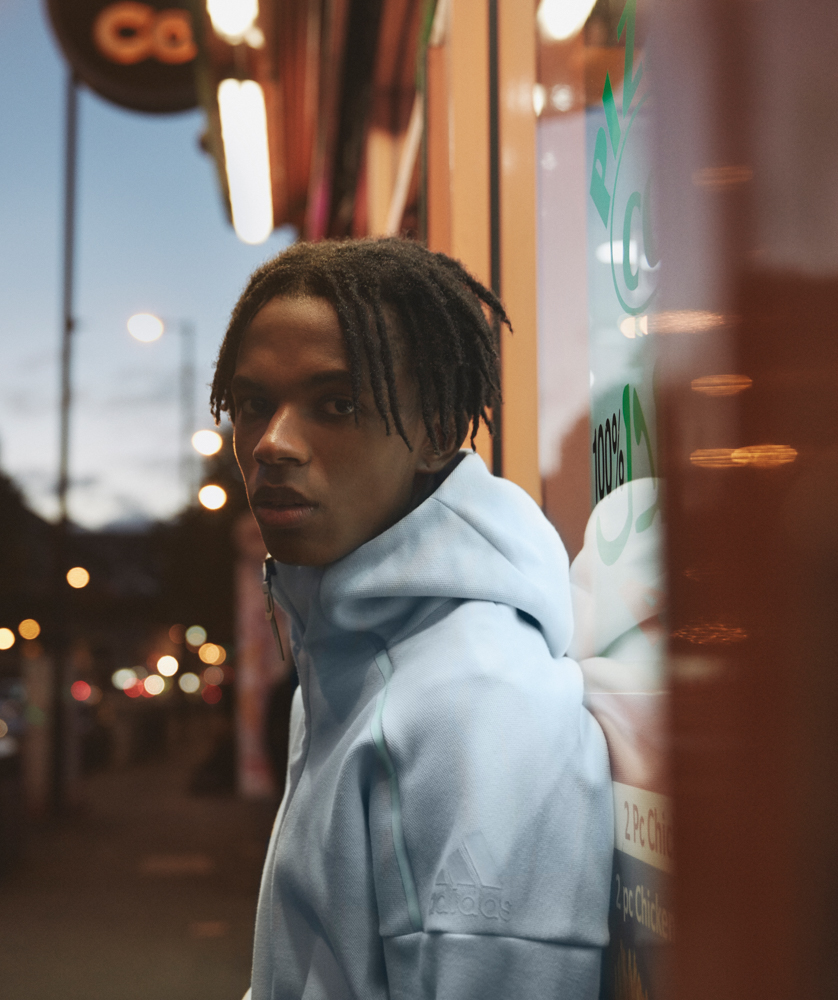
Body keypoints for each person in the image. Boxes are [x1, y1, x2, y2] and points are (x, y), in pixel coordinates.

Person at [213, 238, 613, 1000]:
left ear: (438, 430)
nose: (272, 444)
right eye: (253, 405)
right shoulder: (348, 660)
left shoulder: (477, 702)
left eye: (337, 404)